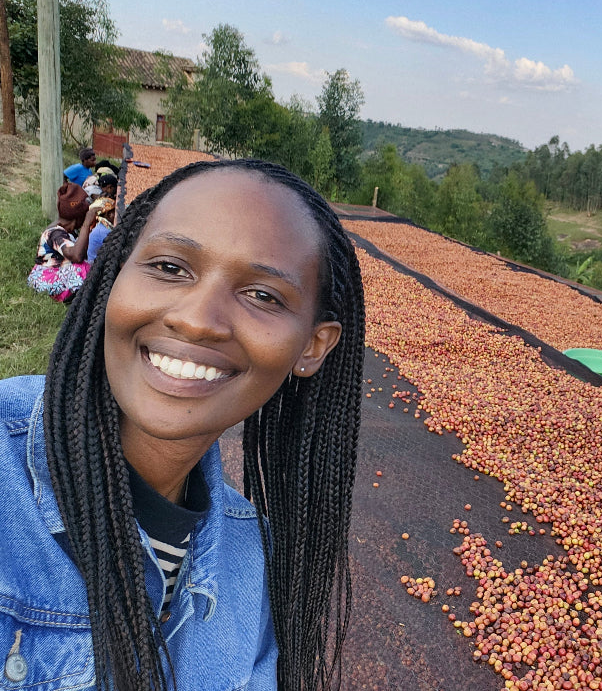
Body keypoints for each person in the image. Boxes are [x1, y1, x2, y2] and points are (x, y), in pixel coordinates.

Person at [1, 159, 365, 690]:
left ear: (312, 347)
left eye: (263, 295)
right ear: (114, 274)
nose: (196, 318)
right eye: (170, 267)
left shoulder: (249, 564)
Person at [26, 181, 99, 302]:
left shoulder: (66, 230)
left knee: (90, 266)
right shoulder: (55, 233)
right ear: (79, 218)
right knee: (84, 268)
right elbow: (77, 256)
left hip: (54, 273)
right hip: (44, 278)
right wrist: (86, 224)